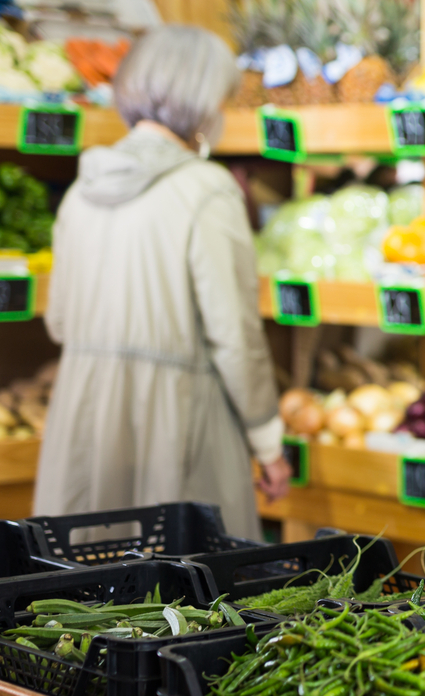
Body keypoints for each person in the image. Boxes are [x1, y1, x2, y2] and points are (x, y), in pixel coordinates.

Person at [33, 25, 290, 541]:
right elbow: (234, 336)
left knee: (80, 597)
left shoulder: (84, 188)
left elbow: (59, 319)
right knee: (184, 601)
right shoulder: (207, 190)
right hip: (180, 421)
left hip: (82, 421)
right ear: (203, 99)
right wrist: (268, 443)